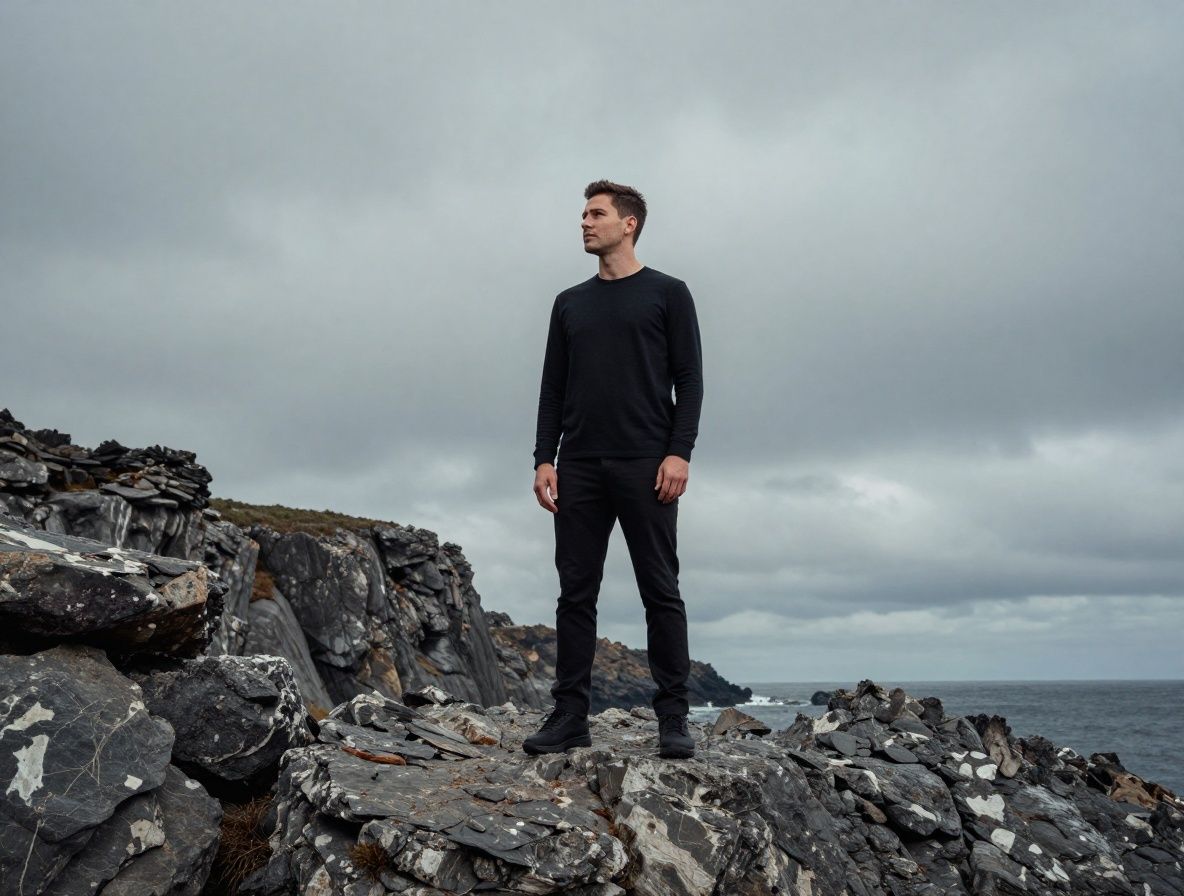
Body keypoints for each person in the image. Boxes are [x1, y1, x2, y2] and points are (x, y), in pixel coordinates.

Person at [525, 180, 704, 759]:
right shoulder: (569, 302)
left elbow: (691, 381)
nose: (584, 222)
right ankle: (570, 715)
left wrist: (680, 452)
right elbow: (552, 388)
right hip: (578, 465)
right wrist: (543, 459)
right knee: (575, 594)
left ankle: (673, 718)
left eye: (595, 214)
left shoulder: (668, 293)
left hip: (647, 464)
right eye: (582, 213)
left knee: (661, 590)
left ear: (629, 224)